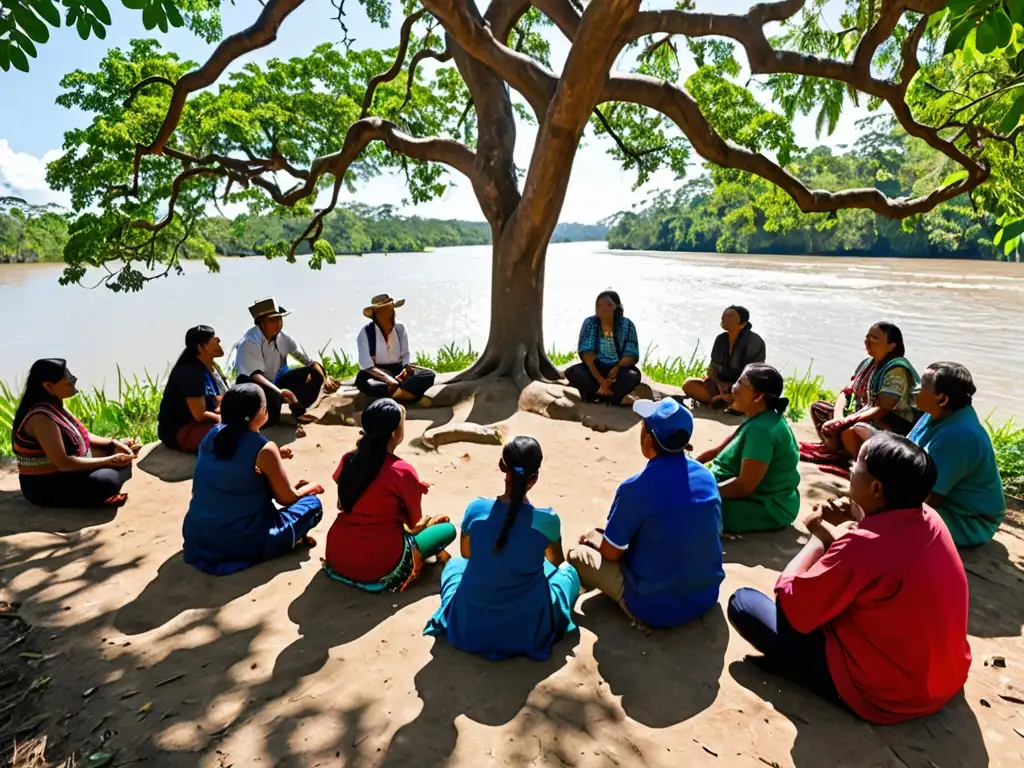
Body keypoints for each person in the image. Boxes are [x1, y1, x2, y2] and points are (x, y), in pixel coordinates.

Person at [727, 432, 971, 724]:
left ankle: (802, 673)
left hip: (887, 696)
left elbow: (791, 603)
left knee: (744, 604)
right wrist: (854, 518)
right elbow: (875, 557)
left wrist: (819, 536)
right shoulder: (930, 518)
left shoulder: (862, 546)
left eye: (856, 465)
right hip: (944, 677)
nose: (851, 469)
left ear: (876, 487)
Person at [568, 398, 724, 629]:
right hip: (706, 596)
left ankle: (633, 609)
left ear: (649, 439)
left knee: (577, 554)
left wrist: (594, 537)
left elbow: (611, 554)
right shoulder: (706, 478)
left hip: (656, 607)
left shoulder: (635, 488)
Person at [424, 437, 581, 660]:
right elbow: (555, 562)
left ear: (501, 466)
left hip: (470, 627)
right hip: (526, 628)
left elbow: (467, 555)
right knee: (569, 574)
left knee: (455, 565)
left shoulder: (477, 510)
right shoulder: (547, 520)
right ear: (534, 478)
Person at [182, 384, 325, 575]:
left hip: (198, 535)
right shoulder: (264, 449)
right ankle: (291, 539)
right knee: (313, 505)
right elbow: (286, 498)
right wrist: (309, 488)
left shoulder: (212, 435)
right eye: (264, 407)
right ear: (259, 414)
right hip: (241, 542)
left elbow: (231, 464)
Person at [322, 398, 456, 592]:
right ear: (394, 432)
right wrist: (414, 493)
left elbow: (343, 505)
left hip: (338, 553)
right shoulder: (402, 471)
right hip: (379, 564)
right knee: (447, 529)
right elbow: (414, 523)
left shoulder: (349, 459)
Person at [11, 358, 138, 508]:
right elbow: (64, 463)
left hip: (63, 472)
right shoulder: (41, 418)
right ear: (49, 386)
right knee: (107, 480)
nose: (74, 381)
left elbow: (81, 435)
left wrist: (113, 443)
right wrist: (109, 461)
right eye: (69, 380)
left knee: (110, 451)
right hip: (46, 485)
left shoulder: (54, 405)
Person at [907, 362, 1005, 548]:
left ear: (941, 398)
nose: (916, 390)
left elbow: (931, 497)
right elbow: (908, 449)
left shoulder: (959, 436)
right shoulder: (937, 413)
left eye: (923, 386)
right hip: (943, 501)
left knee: (891, 520)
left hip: (969, 520)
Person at [697, 364, 800, 533]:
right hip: (732, 489)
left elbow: (743, 487)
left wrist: (700, 491)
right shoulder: (758, 417)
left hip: (765, 505)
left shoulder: (763, 430)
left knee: (684, 508)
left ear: (757, 396)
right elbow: (718, 451)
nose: (732, 388)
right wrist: (691, 464)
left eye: (739, 382)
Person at [807, 322, 918, 460]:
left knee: (850, 431)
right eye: (867, 336)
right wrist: (838, 418)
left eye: (875, 337)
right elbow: (846, 392)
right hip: (861, 414)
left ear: (891, 346)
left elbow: (882, 409)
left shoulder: (897, 370)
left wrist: (845, 422)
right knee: (818, 408)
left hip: (889, 425)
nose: (868, 340)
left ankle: (857, 459)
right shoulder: (867, 364)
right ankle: (839, 450)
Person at [231, 297, 339, 428]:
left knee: (313, 372)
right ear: (261, 323)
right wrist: (280, 392)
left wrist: (325, 378)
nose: (278, 323)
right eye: (272, 320)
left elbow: (310, 362)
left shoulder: (285, 338)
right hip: (253, 386)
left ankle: (297, 410)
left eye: (279, 319)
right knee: (269, 407)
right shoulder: (249, 342)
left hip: (276, 382)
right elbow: (255, 376)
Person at [157, 325, 228, 453]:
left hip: (204, 422)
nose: (218, 340)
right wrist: (223, 419)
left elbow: (219, 398)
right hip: (182, 430)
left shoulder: (210, 368)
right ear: (201, 347)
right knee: (231, 434)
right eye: (213, 339)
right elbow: (200, 415)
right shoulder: (191, 373)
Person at [564, 290, 642, 406]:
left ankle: (610, 396)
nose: (603, 308)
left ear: (617, 307)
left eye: (609, 305)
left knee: (633, 375)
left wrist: (617, 368)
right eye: (599, 305)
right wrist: (602, 381)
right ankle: (597, 392)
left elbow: (631, 354)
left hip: (618, 370)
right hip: (595, 369)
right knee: (574, 372)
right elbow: (588, 357)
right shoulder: (590, 323)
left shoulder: (627, 325)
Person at [355, 294, 435, 404]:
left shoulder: (400, 327)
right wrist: (388, 379)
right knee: (365, 383)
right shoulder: (365, 333)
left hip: (398, 370)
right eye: (383, 312)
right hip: (376, 372)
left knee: (428, 375)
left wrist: (405, 369)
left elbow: (406, 354)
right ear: (375, 314)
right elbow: (366, 366)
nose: (389, 315)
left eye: (390, 311)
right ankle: (408, 396)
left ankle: (396, 395)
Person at [683, 306, 766, 408]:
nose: (724, 319)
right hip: (721, 386)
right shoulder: (721, 339)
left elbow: (754, 374)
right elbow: (713, 368)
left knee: (749, 395)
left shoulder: (754, 342)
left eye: (730, 317)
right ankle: (724, 400)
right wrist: (719, 384)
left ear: (742, 324)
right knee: (688, 385)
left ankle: (728, 401)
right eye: (724, 316)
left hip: (743, 387)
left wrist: (734, 386)